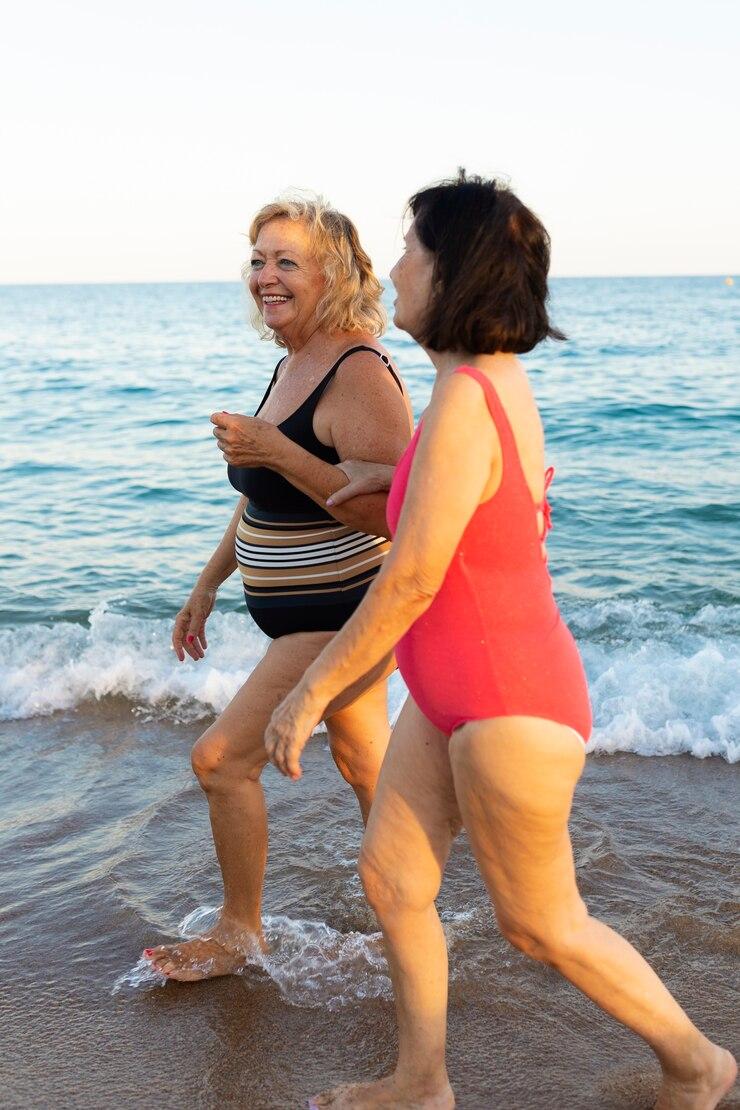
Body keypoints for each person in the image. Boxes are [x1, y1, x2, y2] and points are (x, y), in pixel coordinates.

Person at [265, 173, 737, 1109]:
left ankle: (698, 1064)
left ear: (455, 271)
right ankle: (422, 1082)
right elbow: (477, 513)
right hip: (453, 695)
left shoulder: (469, 401)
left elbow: (412, 580)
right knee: (393, 878)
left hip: (508, 702)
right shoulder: (469, 389)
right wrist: (388, 483)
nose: (393, 268)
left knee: (541, 923)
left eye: (411, 250)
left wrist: (308, 691)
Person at [143, 196, 412, 980]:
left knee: (220, 761)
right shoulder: (294, 361)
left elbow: (390, 511)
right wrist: (207, 584)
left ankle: (239, 934)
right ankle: (411, 918)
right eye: (259, 259)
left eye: (287, 261)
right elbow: (264, 497)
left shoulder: (357, 370)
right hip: (307, 615)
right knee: (364, 761)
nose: (266, 275)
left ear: (334, 275)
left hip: (345, 614)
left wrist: (274, 449)